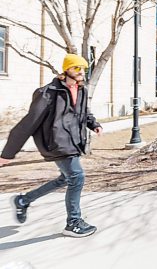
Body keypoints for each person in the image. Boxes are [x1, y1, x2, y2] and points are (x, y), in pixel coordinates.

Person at [0, 54, 102, 237]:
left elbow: (84, 113)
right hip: (56, 143)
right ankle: (73, 223)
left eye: (83, 68)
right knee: (77, 177)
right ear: (67, 69)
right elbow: (28, 123)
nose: (81, 72)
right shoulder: (48, 93)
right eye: (77, 68)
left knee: (65, 179)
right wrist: (8, 153)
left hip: (74, 142)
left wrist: (94, 124)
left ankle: (23, 200)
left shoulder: (82, 90)